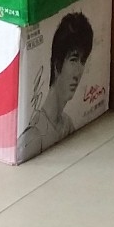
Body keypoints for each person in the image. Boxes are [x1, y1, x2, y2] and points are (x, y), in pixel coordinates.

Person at [29, 10, 95, 155]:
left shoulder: (67, 125)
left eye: (82, 61)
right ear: (57, 64)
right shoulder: (34, 135)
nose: (79, 72)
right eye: (73, 59)